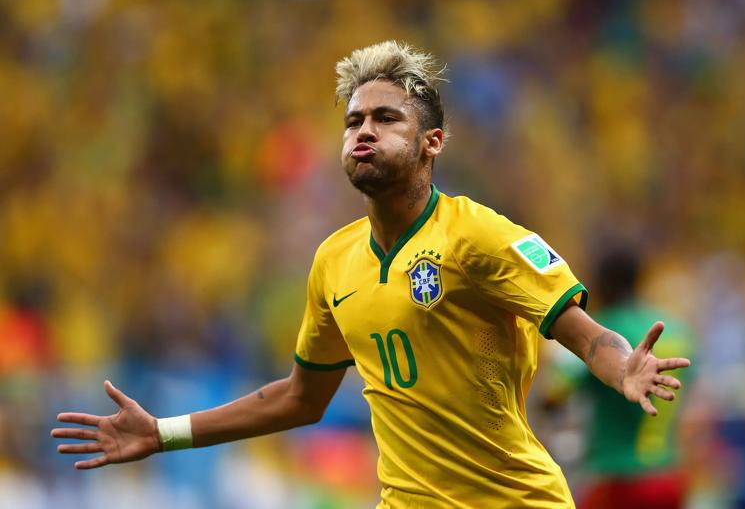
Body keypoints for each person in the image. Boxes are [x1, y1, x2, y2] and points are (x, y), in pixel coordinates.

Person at [51, 41, 691, 509]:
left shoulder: (481, 236)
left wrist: (622, 366)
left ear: (432, 142)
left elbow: (582, 335)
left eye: (386, 119)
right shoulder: (334, 261)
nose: (363, 131)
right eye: (354, 121)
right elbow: (299, 398)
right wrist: (164, 433)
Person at [543, 243, 695, 509]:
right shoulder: (675, 329)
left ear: (603, 282)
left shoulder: (600, 332)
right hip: (669, 475)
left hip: (617, 478)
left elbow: (554, 396)